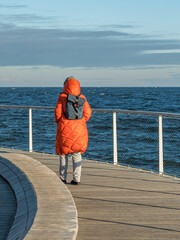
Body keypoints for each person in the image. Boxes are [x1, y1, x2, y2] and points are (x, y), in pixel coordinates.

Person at [55, 76, 92, 185]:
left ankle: (62, 178)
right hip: (79, 128)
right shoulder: (82, 97)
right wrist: (81, 121)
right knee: (76, 154)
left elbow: (58, 114)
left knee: (63, 153)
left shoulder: (62, 97)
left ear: (65, 85)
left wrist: (61, 121)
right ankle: (76, 179)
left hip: (65, 127)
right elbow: (88, 112)